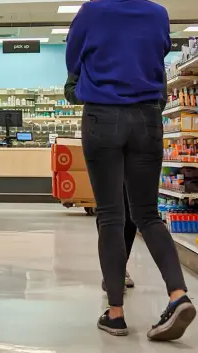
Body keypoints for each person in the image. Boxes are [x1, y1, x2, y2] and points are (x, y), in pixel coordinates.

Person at [64, 0, 195, 340]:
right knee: (147, 213)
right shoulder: (157, 14)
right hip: (147, 120)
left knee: (110, 215)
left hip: (103, 119)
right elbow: (157, 59)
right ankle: (178, 295)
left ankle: (116, 313)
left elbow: (73, 62)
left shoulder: (91, 14)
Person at [64, 73, 136, 291]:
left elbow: (157, 89)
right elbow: (70, 92)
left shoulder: (134, 51)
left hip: (136, 135)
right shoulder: (88, 53)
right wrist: (97, 92)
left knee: (131, 211)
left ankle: (120, 266)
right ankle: (113, 272)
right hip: (101, 135)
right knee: (109, 211)